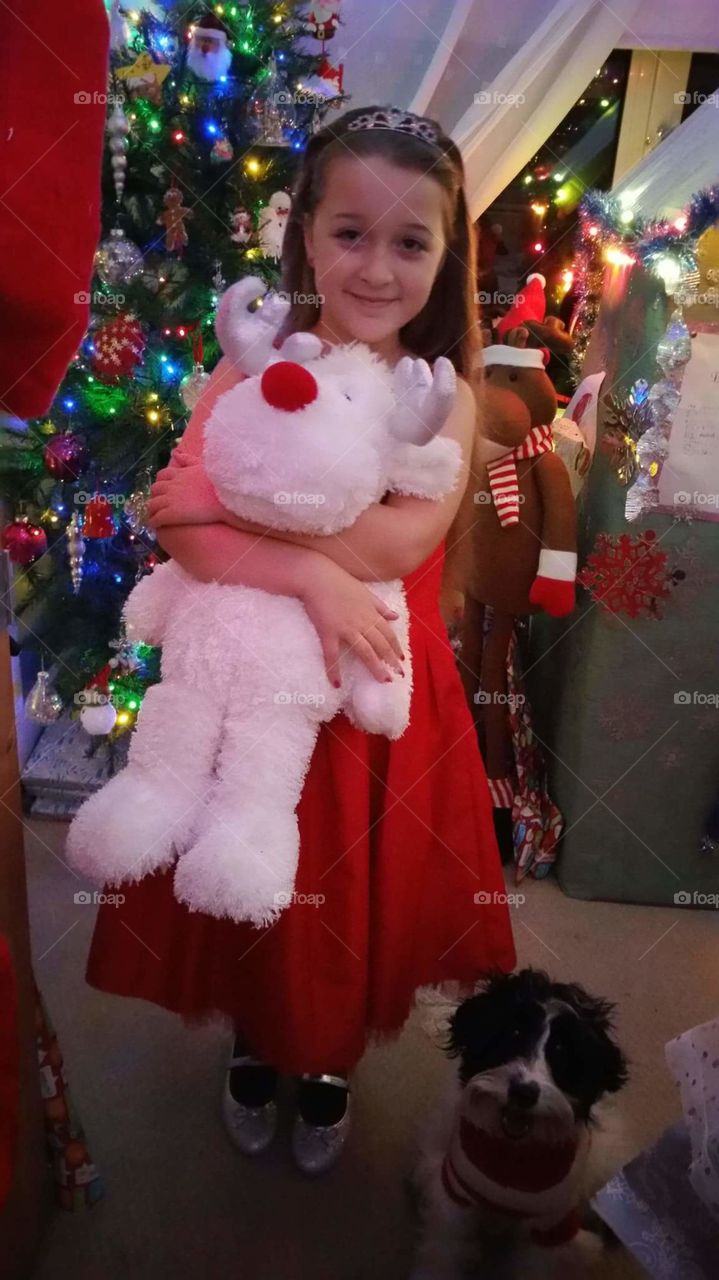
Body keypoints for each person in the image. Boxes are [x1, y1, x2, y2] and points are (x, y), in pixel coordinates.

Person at [84, 105, 516, 1176]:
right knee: (247, 872)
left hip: (370, 679)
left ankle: (324, 1065)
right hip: (249, 677)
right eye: (348, 233)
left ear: (443, 255)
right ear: (304, 239)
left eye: (409, 241)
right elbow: (174, 518)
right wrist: (310, 567)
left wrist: (247, 520)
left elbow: (391, 537)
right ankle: (252, 1037)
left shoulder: (444, 402)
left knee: (343, 893)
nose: (375, 267)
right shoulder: (250, 363)